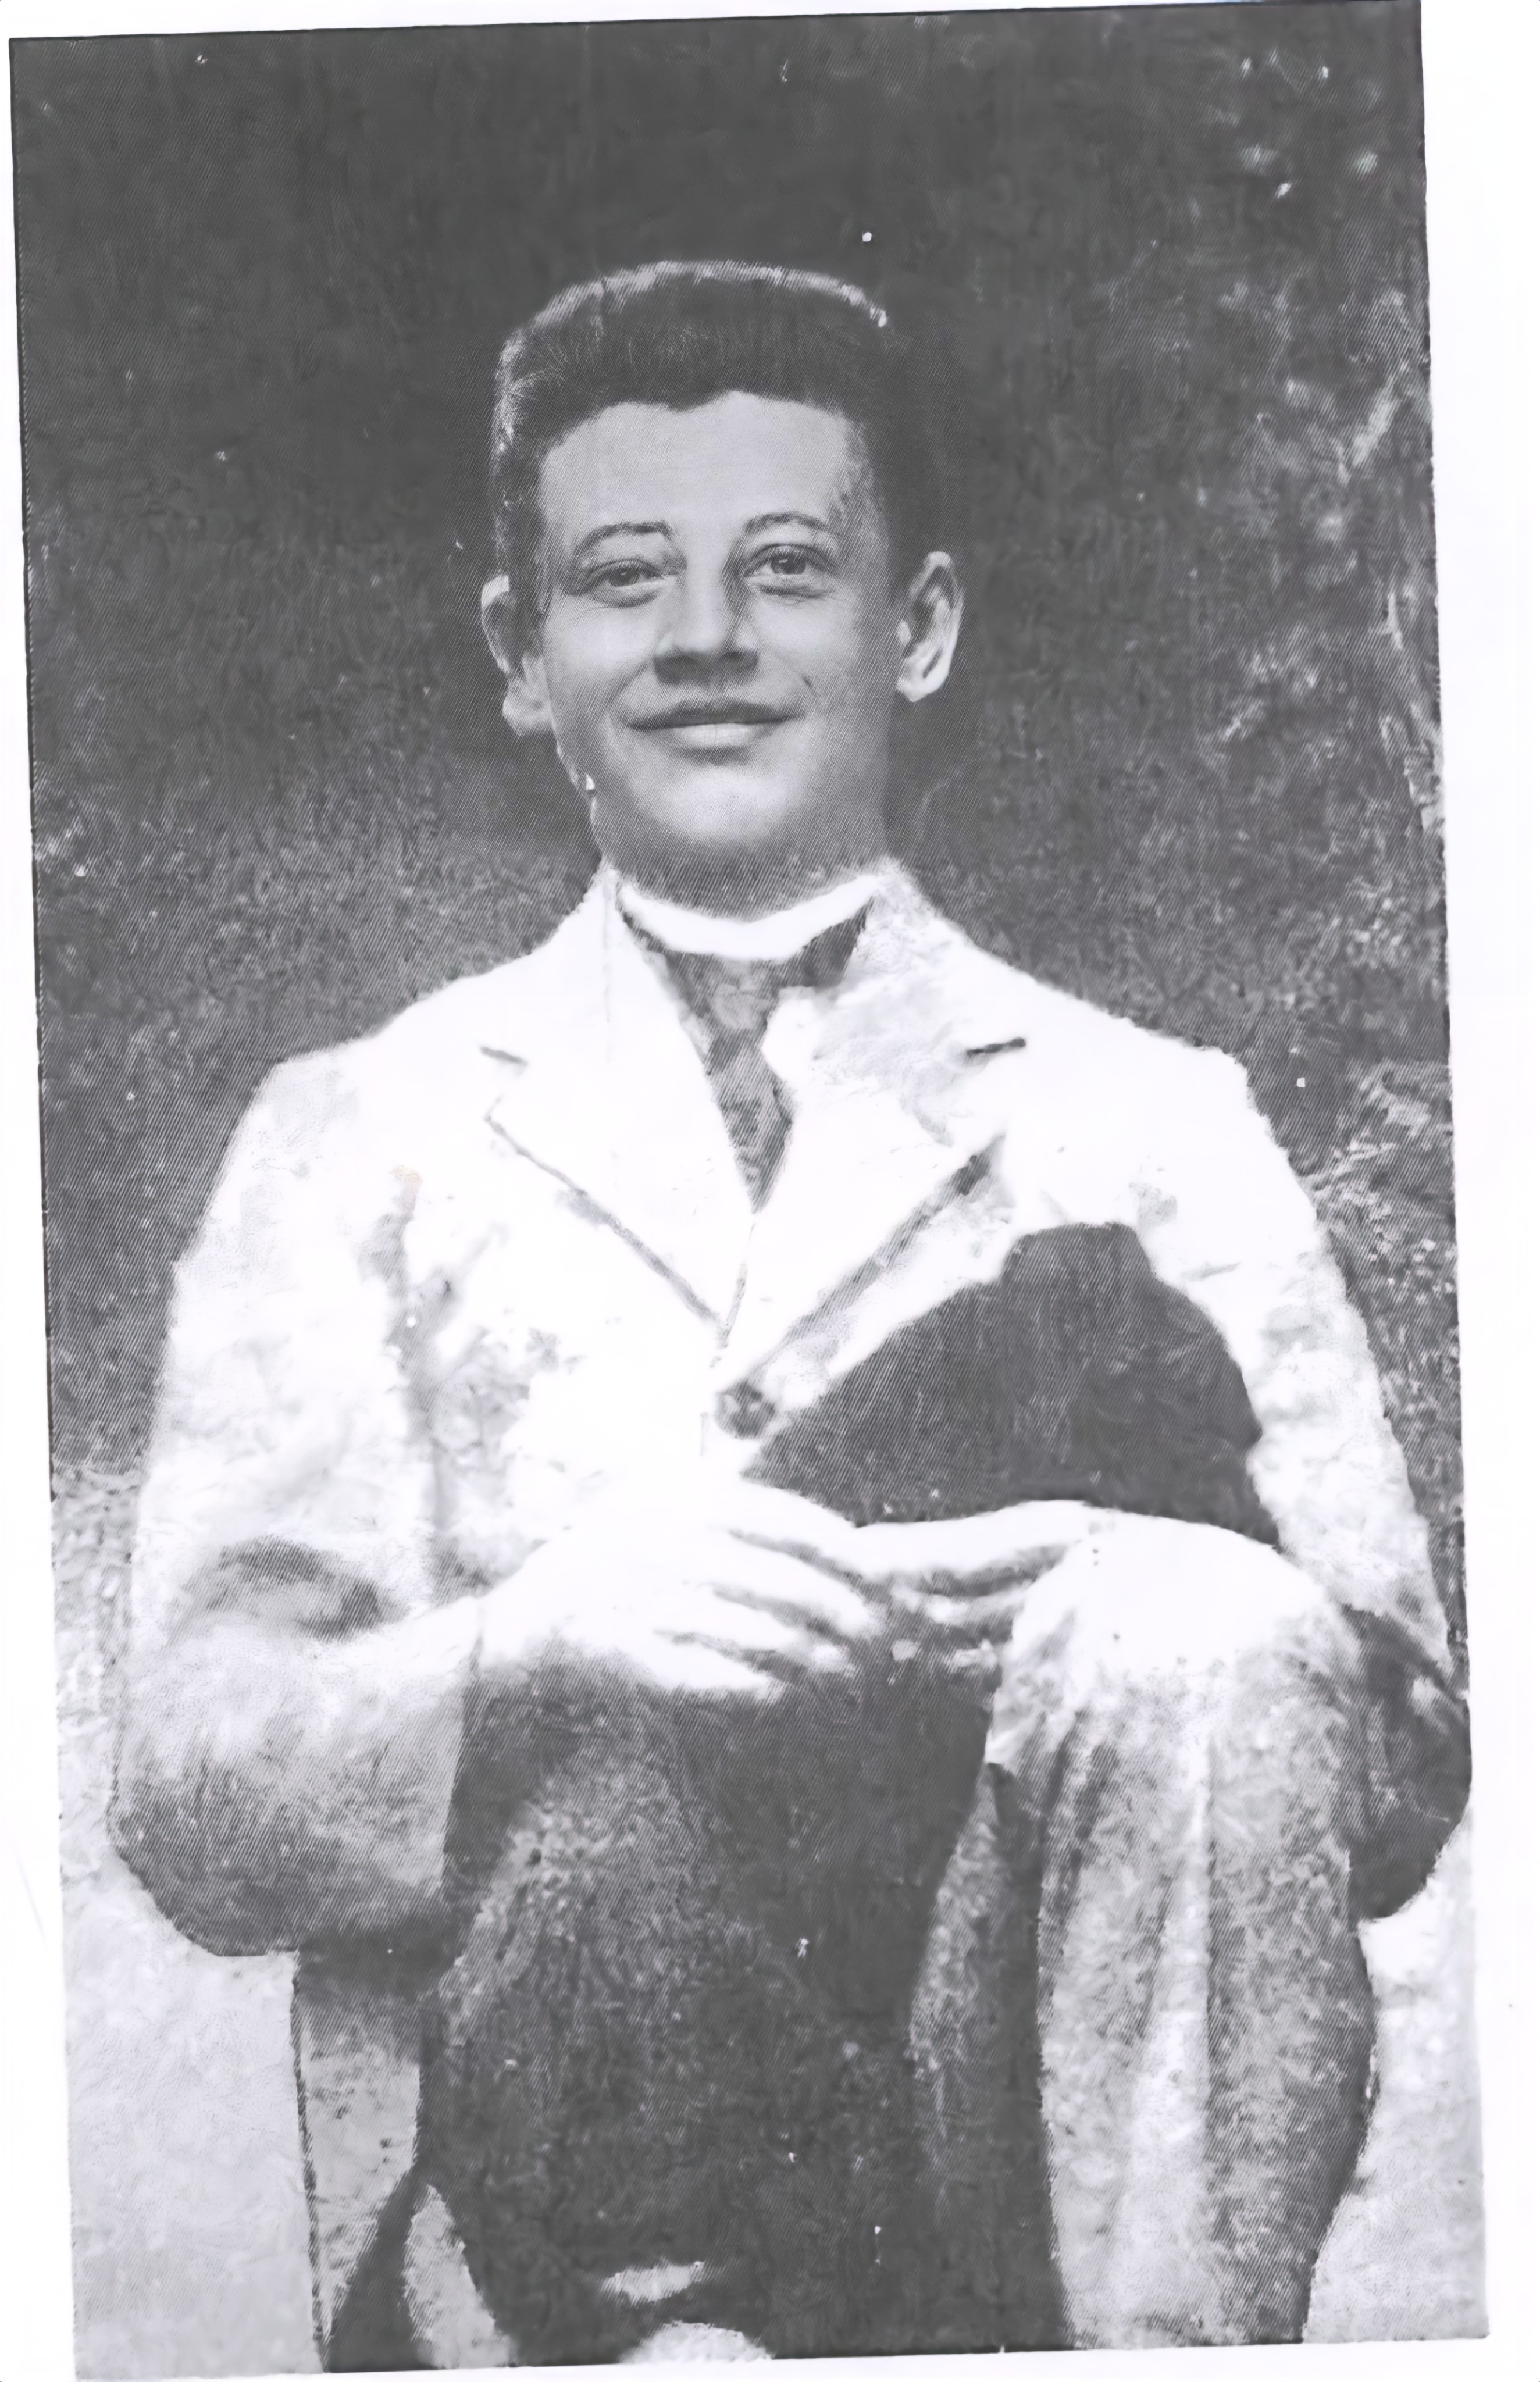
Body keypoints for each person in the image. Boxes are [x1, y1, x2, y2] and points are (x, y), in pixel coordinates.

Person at [111, 261, 1468, 2363]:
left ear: (915, 628)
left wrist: (1115, 1591)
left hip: (1037, 2169)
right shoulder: (357, 1131)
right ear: (521, 656)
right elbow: (199, 1788)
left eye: (784, 569)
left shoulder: (1153, 1119)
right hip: (538, 2212)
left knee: (1203, 1619)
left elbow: (1397, 1742)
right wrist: (534, 1641)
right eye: (625, 579)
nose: (707, 640)